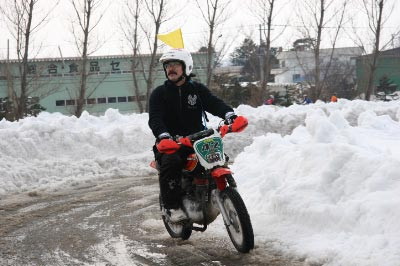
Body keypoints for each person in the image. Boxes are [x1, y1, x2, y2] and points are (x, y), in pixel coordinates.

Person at [148, 48, 242, 222]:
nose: (170, 69)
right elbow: (155, 118)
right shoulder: (159, 94)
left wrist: (230, 116)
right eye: (168, 65)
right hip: (171, 143)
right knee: (171, 162)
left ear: (186, 67)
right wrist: (163, 136)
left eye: (175, 64)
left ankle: (218, 193)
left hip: (198, 138)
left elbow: (214, 103)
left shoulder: (196, 89)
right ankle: (172, 207)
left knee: (219, 158)